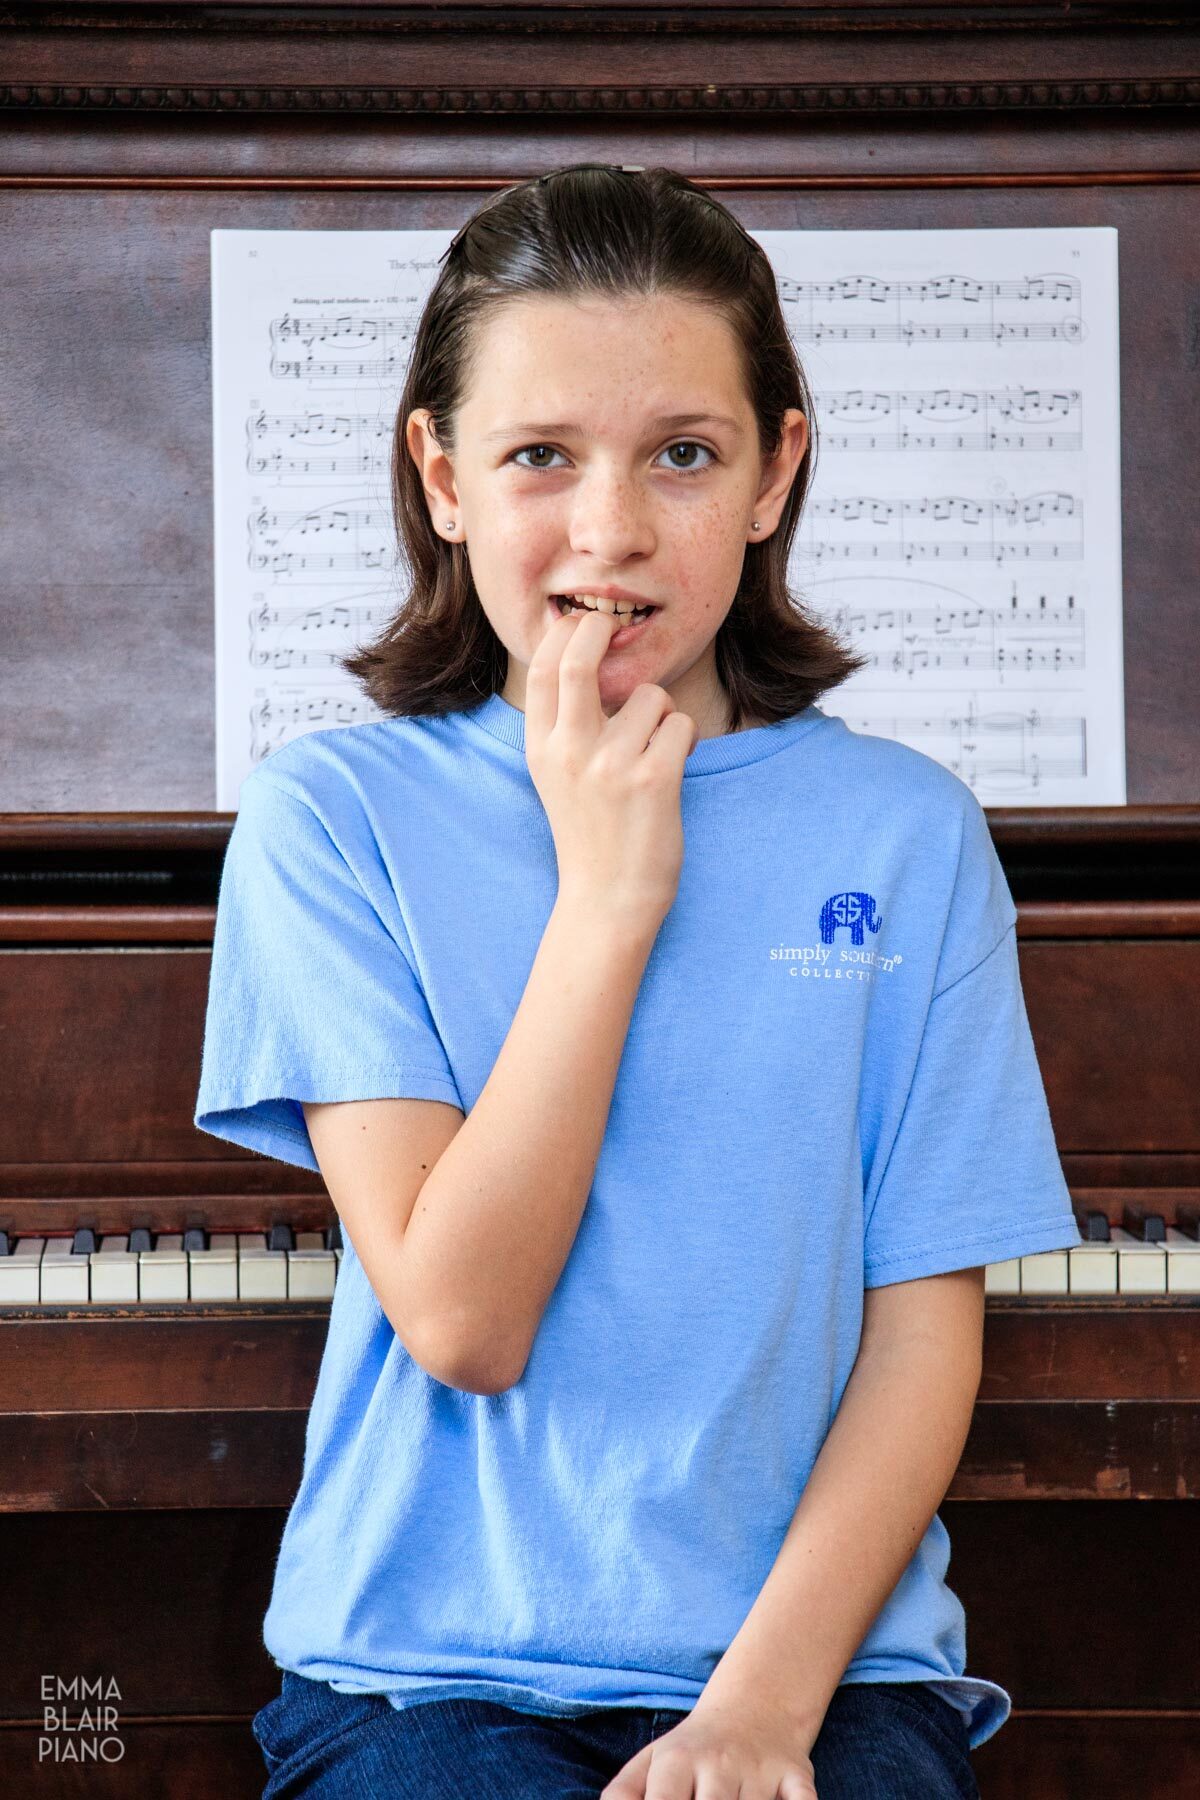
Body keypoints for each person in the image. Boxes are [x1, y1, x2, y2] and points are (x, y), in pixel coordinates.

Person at [194, 164, 1082, 1799]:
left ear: (774, 473)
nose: (611, 529)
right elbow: (463, 1319)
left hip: (822, 1670)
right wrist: (608, 891)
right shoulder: (336, 820)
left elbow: (922, 1336)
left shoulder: (906, 834)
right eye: (541, 456)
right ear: (441, 474)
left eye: (684, 453)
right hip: (427, 1682)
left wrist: (758, 1712)